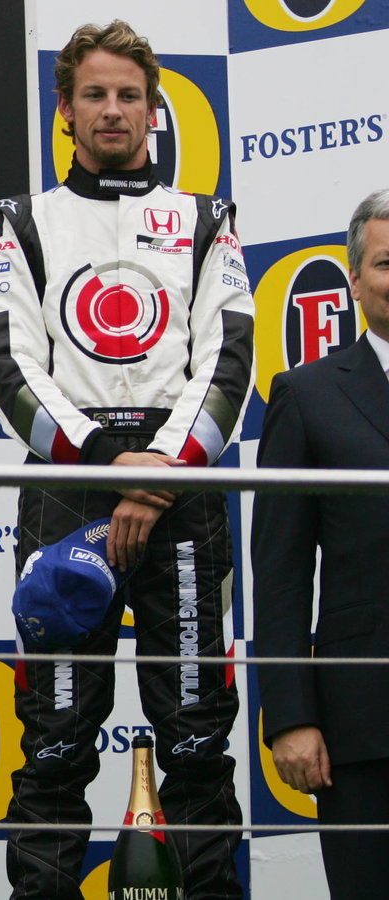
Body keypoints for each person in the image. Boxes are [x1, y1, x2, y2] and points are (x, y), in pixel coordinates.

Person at [0, 21, 253, 900]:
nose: (112, 110)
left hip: (182, 501)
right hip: (70, 497)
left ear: (153, 108)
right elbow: (8, 364)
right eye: (93, 94)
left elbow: (231, 356)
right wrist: (114, 464)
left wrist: (159, 471)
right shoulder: (22, 221)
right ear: (64, 111)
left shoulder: (208, 218)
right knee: (54, 742)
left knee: (200, 743)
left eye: (128, 94)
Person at [252, 189, 389, 900]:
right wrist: (292, 716)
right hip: (365, 726)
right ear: (355, 281)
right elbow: (277, 574)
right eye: (388, 262)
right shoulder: (306, 396)